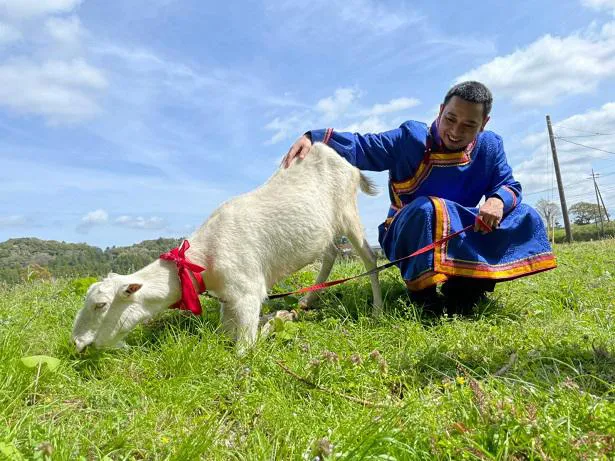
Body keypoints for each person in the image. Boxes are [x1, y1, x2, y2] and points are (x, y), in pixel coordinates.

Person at [282, 81, 557, 314]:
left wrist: (497, 201)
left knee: (526, 215)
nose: (455, 131)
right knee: (430, 209)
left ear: (483, 124)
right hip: (407, 231)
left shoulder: (490, 145)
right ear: (440, 111)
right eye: (450, 119)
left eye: (468, 125)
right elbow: (363, 146)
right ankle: (423, 297)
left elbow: (508, 185)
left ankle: (468, 287)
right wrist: (313, 137)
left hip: (460, 230)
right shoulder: (409, 138)